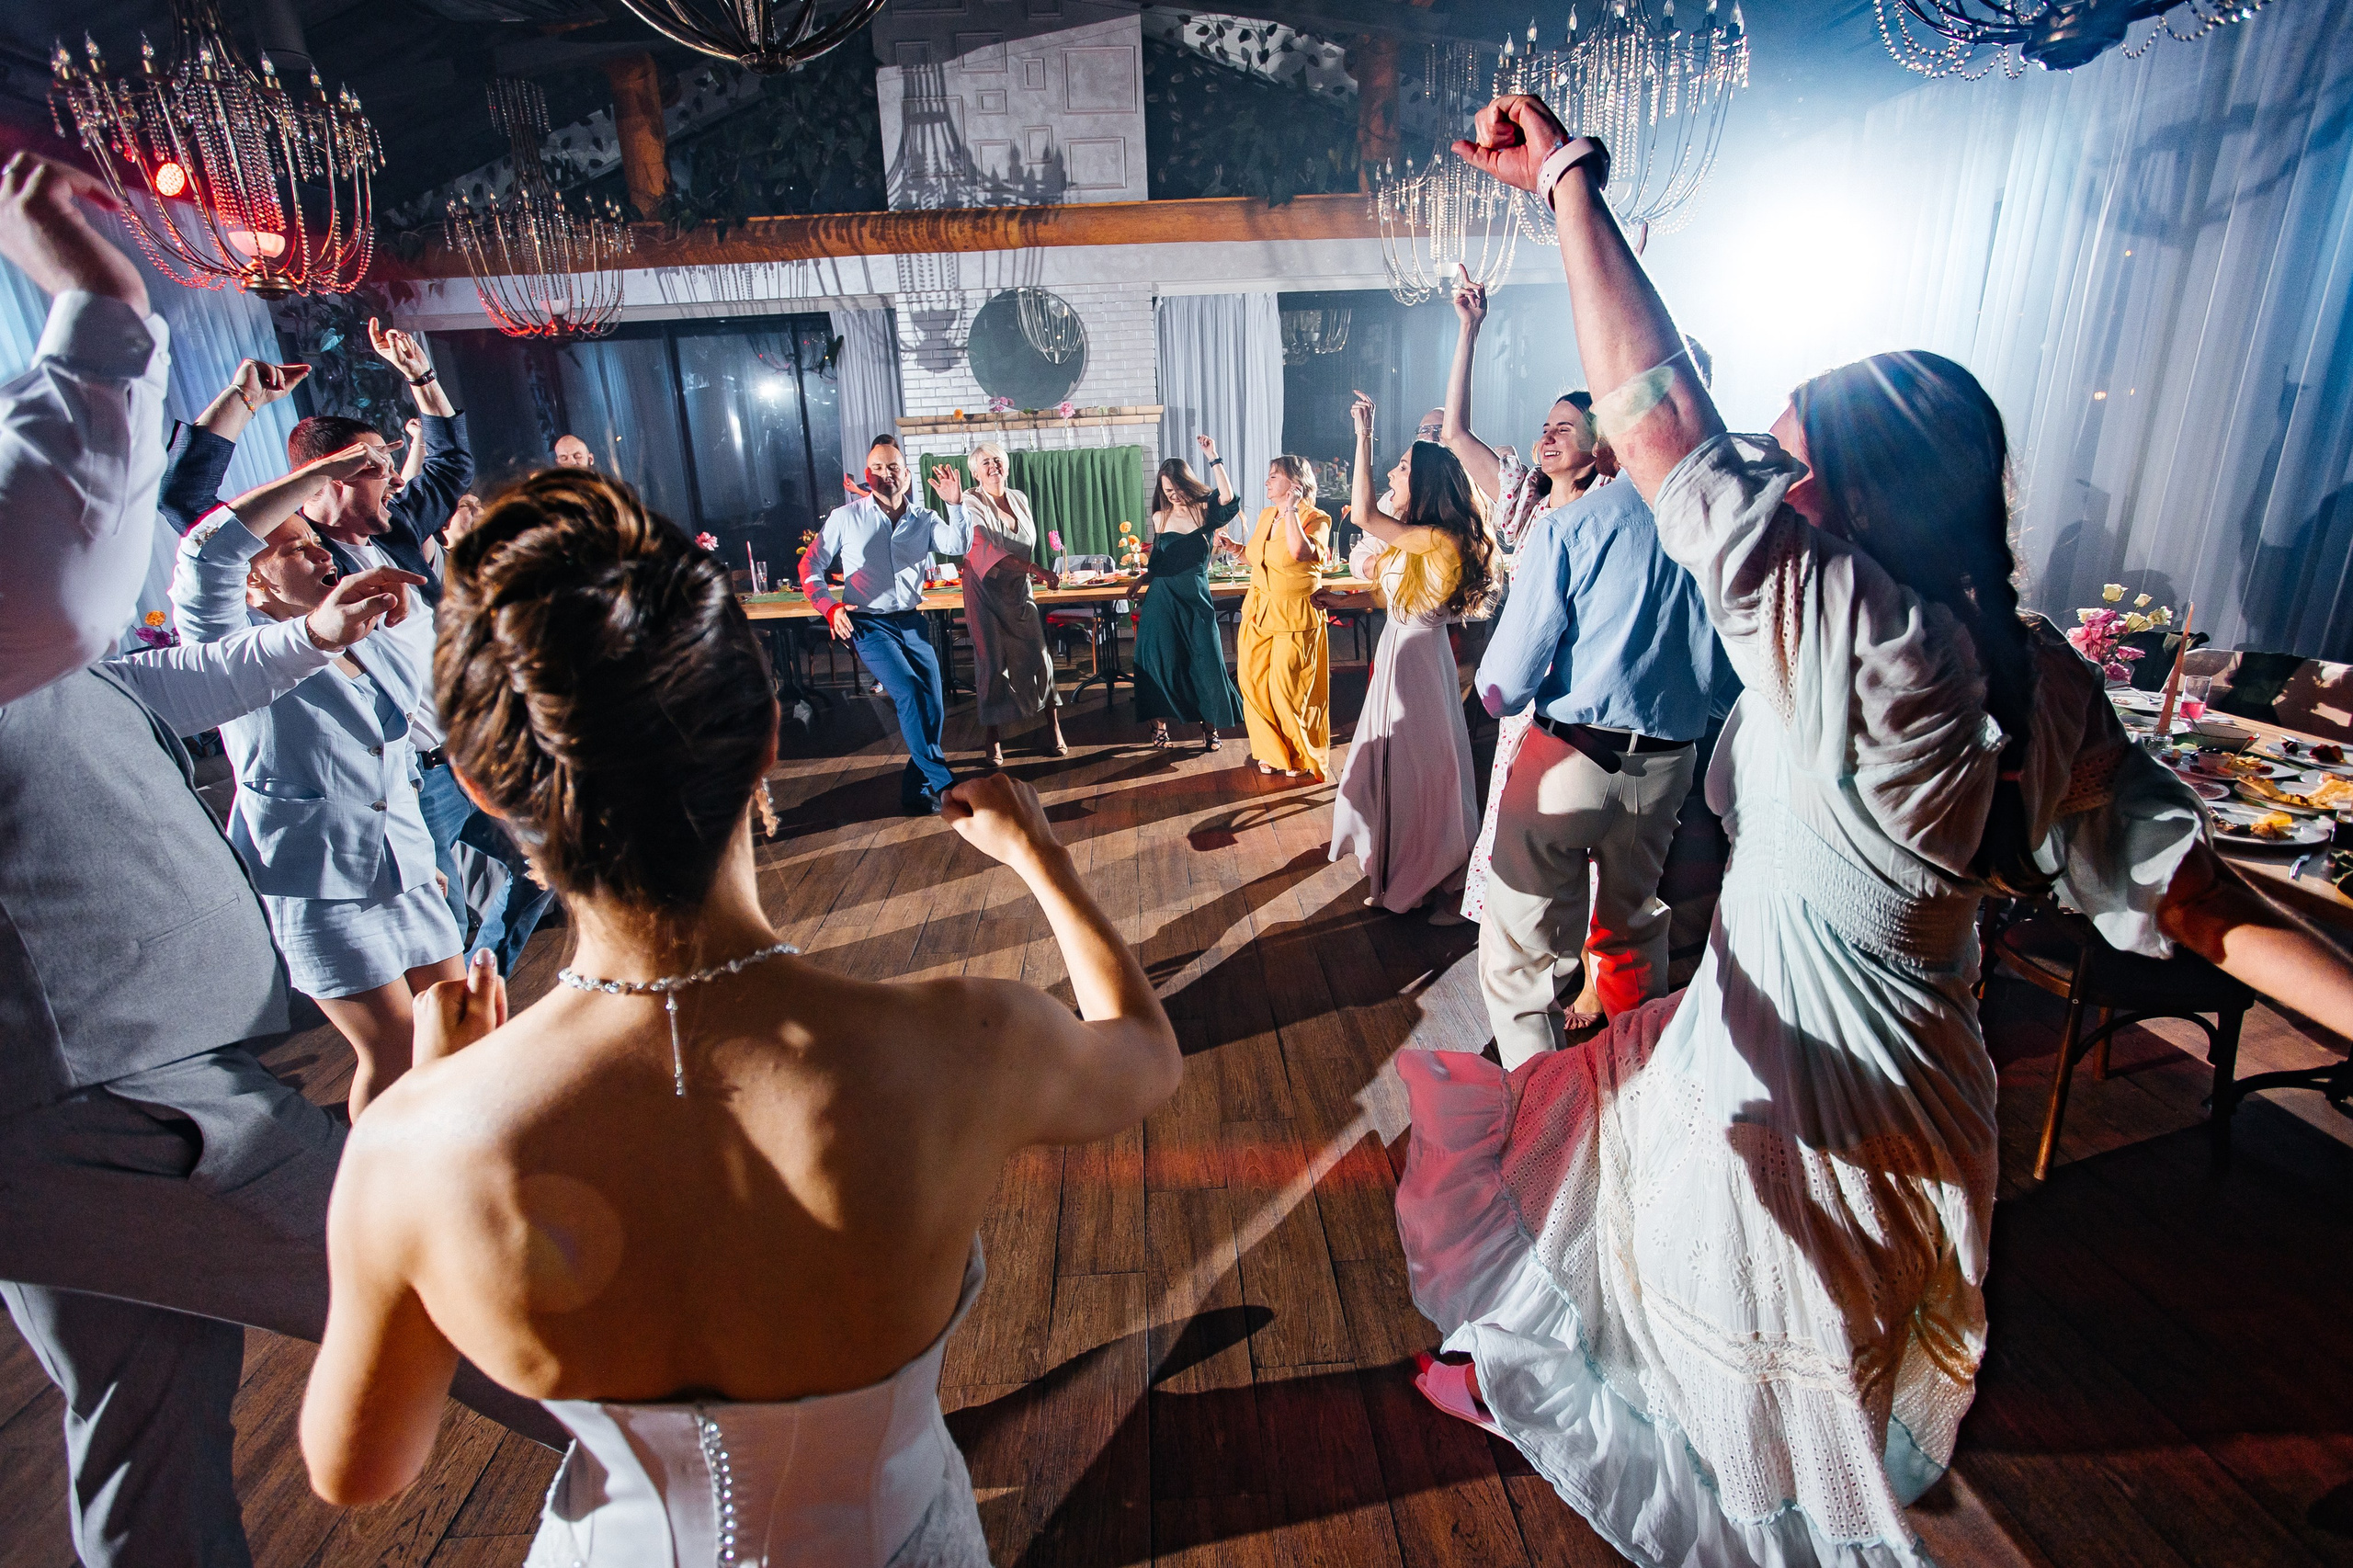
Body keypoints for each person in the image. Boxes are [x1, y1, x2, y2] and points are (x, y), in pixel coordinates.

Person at [1394, 96, 2353, 1567]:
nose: (1767, 486)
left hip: (1803, 1084)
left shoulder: (1842, 627)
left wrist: (1569, 184)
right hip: (1929, 1100)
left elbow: (1654, 417)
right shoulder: (2037, 667)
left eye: (1790, 465)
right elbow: (2201, 899)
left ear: (1845, 497)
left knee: (1724, 1353)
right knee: (1760, 1323)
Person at [298, 470, 1184, 1568]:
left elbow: (359, 1468)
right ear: (768, 733)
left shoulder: (412, 1139)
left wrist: (436, 1088)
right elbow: (1143, 1057)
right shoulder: (964, 1041)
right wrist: (1043, 863)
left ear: (484, 787)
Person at [0, 149, 556, 1568]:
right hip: (124, 1095)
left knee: (141, 1413)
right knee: (443, 1285)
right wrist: (102, 303)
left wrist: (318, 636)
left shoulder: (130, 656)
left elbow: (164, 685)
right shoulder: (73, 612)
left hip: (101, 1095)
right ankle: (785, 1450)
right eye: (306, 541)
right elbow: (125, 570)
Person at [172, 451, 462, 1117]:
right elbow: (205, 560)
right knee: (395, 1052)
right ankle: (384, 1200)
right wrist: (316, 477)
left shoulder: (354, 633)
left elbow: (392, 759)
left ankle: (464, 1177)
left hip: (404, 868)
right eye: (292, 548)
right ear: (252, 585)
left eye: (313, 539)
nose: (315, 551)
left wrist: (417, 858)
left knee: (457, 1032)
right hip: (323, 883)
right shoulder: (232, 650)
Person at [1461, 361, 1733, 1059]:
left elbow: (1504, 688)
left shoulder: (1573, 528)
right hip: (1671, 762)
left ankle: (1541, 1118)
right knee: (1633, 926)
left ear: (1610, 444)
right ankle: (1629, 1077)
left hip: (1570, 756)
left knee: (1523, 954)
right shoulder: (1719, 526)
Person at [1324, 392, 1495, 922]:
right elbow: (1395, 595)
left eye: (1402, 468)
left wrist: (1363, 438)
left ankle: (1441, 876)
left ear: (1427, 482)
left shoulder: (1440, 540)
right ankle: (1404, 871)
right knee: (1395, 770)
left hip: (1419, 664)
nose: (1396, 473)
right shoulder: (1416, 541)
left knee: (1424, 775)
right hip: (1399, 655)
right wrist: (1344, 599)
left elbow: (1364, 513)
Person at [802, 435, 968, 814]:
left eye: (892, 467)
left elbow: (957, 543)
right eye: (876, 468)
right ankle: (945, 786)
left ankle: (914, 793)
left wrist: (955, 505)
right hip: (867, 624)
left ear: (906, 475)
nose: (885, 474)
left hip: (912, 622)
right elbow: (809, 565)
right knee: (909, 692)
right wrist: (829, 607)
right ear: (866, 475)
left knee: (934, 705)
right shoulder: (846, 518)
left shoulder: (924, 519)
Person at [945, 440, 1066, 767]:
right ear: (975, 472)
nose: (993, 465)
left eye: (997, 460)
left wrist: (1029, 572)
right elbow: (983, 546)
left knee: (1040, 655)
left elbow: (1025, 543)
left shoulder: (1020, 499)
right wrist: (1035, 568)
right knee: (992, 663)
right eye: (985, 462)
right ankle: (992, 737)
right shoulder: (969, 501)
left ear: (1007, 465)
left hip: (1018, 590)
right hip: (983, 591)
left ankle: (1053, 725)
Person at [1135, 436, 1246, 752]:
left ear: (1188, 484)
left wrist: (1214, 456)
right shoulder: (1161, 516)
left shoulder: (1205, 511)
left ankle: (1210, 730)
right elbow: (1159, 561)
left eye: (1179, 490)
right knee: (1158, 662)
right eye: (1168, 491)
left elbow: (1229, 498)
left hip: (1195, 598)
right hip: (1162, 598)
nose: (1175, 496)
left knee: (1206, 663)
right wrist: (1141, 580)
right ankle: (1159, 729)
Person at [1236, 453, 1335, 780]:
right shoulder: (1266, 515)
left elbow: (1298, 553)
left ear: (1295, 483)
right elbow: (1260, 558)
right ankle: (1271, 752)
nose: (1267, 481)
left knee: (1287, 689)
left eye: (1274, 476)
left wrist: (1291, 508)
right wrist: (1236, 549)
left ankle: (1300, 755)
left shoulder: (1316, 518)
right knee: (1253, 683)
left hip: (1294, 615)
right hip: (1258, 612)